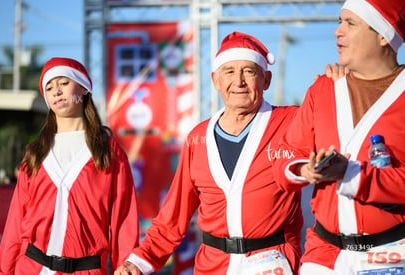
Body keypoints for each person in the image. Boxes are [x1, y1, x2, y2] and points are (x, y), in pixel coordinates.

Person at [114, 31, 304, 275]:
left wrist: (340, 82)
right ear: (215, 80)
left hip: (273, 264)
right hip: (212, 266)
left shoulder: (292, 121)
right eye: (229, 72)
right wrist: (140, 261)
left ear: (266, 79)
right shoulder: (197, 138)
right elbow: (174, 215)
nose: (239, 81)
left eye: (249, 70)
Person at [273, 0, 405, 274]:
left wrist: (352, 174)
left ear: (383, 35)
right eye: (339, 21)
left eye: (350, 23)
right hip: (324, 255)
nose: (337, 31)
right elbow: (286, 152)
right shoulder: (323, 88)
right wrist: (304, 169)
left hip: (392, 255)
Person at [0, 57, 140, 274]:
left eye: (63, 83)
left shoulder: (108, 152)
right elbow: (16, 223)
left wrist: (126, 266)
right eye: (49, 87)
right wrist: (4, 271)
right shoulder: (36, 153)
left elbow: (124, 220)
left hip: (86, 269)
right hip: (31, 268)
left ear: (83, 89)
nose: (56, 91)